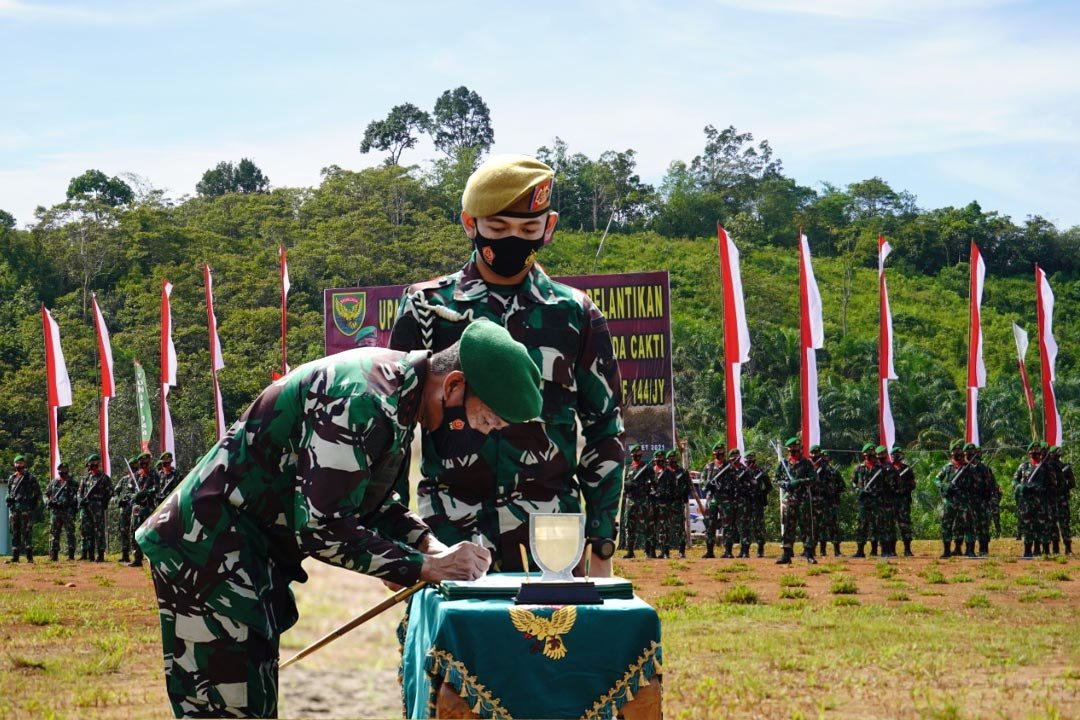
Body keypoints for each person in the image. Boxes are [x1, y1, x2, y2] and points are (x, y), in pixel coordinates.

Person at [135, 320, 540, 719]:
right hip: (206, 552)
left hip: (240, 557)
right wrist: (423, 567)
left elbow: (369, 501)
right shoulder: (363, 398)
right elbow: (323, 527)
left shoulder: (397, 397)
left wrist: (427, 544)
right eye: (484, 420)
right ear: (453, 385)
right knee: (225, 711)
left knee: (253, 705)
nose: (477, 432)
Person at [388, 154, 624, 577]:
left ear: (548, 228)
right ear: (469, 224)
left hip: (549, 533)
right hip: (448, 527)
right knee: (448, 644)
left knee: (551, 640)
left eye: (528, 229)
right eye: (497, 228)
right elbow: (395, 430)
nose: (513, 239)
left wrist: (601, 544)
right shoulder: (426, 308)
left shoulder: (575, 314)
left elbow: (605, 430)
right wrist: (400, 546)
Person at [775, 437, 816, 565]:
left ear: (800, 450)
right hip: (789, 499)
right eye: (792, 450)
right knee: (788, 526)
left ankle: (809, 554)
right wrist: (785, 484)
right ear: (788, 451)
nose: (794, 453)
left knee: (806, 527)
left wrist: (800, 482)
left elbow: (814, 478)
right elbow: (776, 479)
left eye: (796, 450)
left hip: (803, 498)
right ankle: (786, 554)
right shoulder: (784, 463)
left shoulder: (807, 463)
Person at [935, 441, 973, 559]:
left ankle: (969, 550)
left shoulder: (968, 467)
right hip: (950, 501)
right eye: (956, 452)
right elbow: (936, 479)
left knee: (967, 525)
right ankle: (946, 550)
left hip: (964, 501)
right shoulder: (947, 467)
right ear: (951, 454)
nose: (959, 454)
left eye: (960, 452)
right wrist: (944, 486)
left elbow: (975, 482)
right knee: (947, 525)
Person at [1013, 442, 1049, 558]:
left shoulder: (1045, 467)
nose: (1036, 455)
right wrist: (1020, 487)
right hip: (1026, 502)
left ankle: (1038, 549)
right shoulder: (1023, 466)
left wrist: (1038, 487)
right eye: (1033, 452)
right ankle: (1027, 550)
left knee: (1039, 525)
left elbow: (1052, 483)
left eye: (1038, 452)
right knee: (1027, 526)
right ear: (1029, 454)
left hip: (1040, 501)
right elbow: (1014, 481)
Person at [809, 445, 844, 557]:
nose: (815, 456)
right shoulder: (809, 468)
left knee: (832, 525)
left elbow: (841, 485)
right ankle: (815, 550)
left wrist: (833, 492)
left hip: (828, 502)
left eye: (817, 454)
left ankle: (837, 550)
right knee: (815, 526)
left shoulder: (829, 469)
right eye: (813, 454)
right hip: (813, 501)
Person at [6, 454, 42, 563]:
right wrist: (8, 498)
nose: (19, 465)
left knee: (27, 532)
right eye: (17, 463)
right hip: (14, 510)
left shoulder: (30, 478)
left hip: (26, 510)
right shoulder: (12, 478)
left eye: (21, 463)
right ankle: (15, 557)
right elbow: (8, 492)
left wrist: (32, 505)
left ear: (24, 464)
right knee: (15, 532)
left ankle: (29, 557)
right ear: (14, 465)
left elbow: (38, 494)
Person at [78, 454, 112, 562]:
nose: (93, 467)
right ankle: (90, 554)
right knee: (87, 531)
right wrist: (80, 499)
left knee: (99, 530)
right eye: (91, 465)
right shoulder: (85, 478)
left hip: (97, 507)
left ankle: (100, 554)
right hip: (86, 507)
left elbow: (110, 491)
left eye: (95, 465)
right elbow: (79, 492)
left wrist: (103, 502)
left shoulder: (104, 478)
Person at [620, 445, 652, 559]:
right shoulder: (628, 468)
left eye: (640, 453)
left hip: (643, 500)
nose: (638, 455)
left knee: (646, 526)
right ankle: (630, 551)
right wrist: (628, 485)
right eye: (636, 453)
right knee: (629, 525)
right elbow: (622, 484)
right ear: (632, 455)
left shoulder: (646, 468)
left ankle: (648, 551)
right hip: (630, 500)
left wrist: (644, 486)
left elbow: (654, 483)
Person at [128, 453, 159, 567]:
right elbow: (129, 490)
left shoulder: (154, 474)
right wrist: (135, 495)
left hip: (149, 507)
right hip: (137, 508)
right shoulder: (136, 476)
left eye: (145, 463)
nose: (143, 465)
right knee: (134, 532)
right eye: (141, 463)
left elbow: (156, 488)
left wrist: (145, 492)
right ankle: (137, 557)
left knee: (149, 533)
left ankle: (152, 557)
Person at [851, 443, 881, 558]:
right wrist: (857, 490)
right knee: (861, 524)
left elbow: (885, 485)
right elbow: (853, 481)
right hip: (863, 501)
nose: (869, 456)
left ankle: (874, 550)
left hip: (875, 500)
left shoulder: (879, 469)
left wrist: (875, 492)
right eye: (867, 454)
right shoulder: (859, 468)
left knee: (875, 525)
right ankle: (860, 550)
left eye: (871, 454)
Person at [45, 462, 79, 561]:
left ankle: (71, 555)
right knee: (54, 533)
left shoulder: (73, 483)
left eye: (64, 470)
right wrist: (48, 502)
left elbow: (79, 495)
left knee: (70, 533)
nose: (62, 472)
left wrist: (75, 505)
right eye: (61, 470)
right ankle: (54, 555)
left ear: (68, 470)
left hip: (68, 511)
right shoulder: (54, 482)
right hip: (56, 511)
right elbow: (45, 494)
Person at [699, 442, 727, 558]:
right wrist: (708, 484)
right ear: (714, 454)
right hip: (712, 500)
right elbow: (702, 481)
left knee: (726, 525)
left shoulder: (727, 466)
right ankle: (710, 551)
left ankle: (728, 550)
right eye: (717, 453)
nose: (719, 455)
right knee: (710, 525)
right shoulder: (709, 467)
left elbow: (734, 481)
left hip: (725, 500)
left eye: (721, 453)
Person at [1046, 445, 1074, 555]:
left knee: (1054, 523)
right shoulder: (1062, 467)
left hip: (1055, 499)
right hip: (1060, 499)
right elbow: (1072, 484)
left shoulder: (1049, 468)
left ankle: (1057, 549)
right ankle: (1066, 548)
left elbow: (1071, 483)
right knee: (1063, 524)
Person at [665, 450, 693, 559]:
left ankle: (682, 551)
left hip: (678, 503)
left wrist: (683, 493)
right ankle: (665, 551)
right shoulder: (664, 472)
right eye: (670, 460)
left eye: (674, 459)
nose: (672, 461)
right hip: (666, 503)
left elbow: (689, 486)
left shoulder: (683, 472)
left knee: (680, 528)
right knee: (665, 528)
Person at [744, 451, 771, 558]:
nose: (750, 462)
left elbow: (769, 486)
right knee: (745, 526)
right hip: (746, 502)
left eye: (752, 459)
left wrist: (761, 494)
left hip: (757, 502)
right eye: (748, 460)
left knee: (758, 525)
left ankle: (760, 547)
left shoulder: (760, 472)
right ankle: (745, 549)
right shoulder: (743, 472)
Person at [891, 446, 916, 556]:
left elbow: (913, 484)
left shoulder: (907, 469)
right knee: (890, 525)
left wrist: (904, 489)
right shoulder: (887, 468)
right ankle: (891, 550)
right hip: (890, 502)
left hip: (903, 501)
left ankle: (907, 549)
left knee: (905, 525)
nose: (897, 457)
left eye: (899, 455)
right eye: (895, 455)